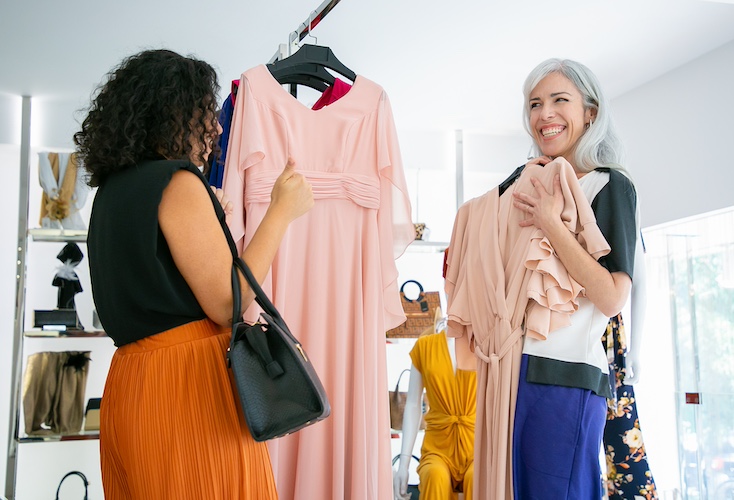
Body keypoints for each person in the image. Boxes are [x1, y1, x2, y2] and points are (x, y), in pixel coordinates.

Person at [73, 49, 313, 499]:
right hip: (186, 390)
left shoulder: (110, 194)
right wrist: (280, 213)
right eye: (205, 113)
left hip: (132, 384)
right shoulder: (176, 181)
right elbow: (229, 304)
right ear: (170, 113)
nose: (216, 127)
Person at [445, 58, 639, 499]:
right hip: (511, 370)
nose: (544, 114)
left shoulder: (609, 187)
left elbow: (611, 298)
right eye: (535, 104)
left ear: (590, 111)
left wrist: (553, 224)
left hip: (564, 376)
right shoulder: (525, 185)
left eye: (559, 100)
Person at [393, 312, 477, 500]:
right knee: (434, 475)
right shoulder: (425, 346)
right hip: (438, 446)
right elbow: (413, 405)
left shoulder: (485, 347)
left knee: (477, 477)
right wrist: (403, 464)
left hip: (476, 446)